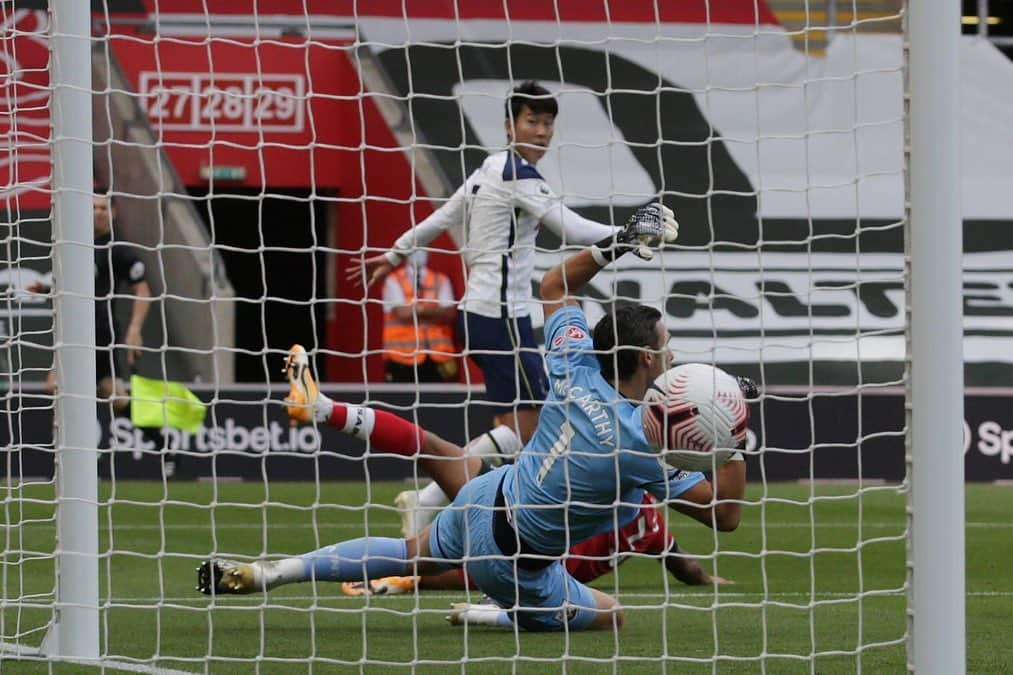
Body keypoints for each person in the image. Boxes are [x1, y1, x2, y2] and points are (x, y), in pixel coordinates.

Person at [198, 204, 745, 634]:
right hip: (514, 562)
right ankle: (496, 610)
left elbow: (554, 285)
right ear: (647, 358)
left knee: (414, 548)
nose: (672, 354)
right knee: (611, 616)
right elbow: (724, 515)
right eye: (666, 346)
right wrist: (734, 431)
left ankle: (277, 571)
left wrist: (621, 242)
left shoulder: (576, 361)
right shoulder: (640, 446)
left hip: (486, 497)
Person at [352, 80, 636, 539]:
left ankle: (436, 503)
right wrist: (629, 233)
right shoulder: (517, 174)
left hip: (486, 317)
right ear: (510, 125)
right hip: (501, 320)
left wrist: (396, 252)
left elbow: (444, 214)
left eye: (548, 124)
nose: (542, 132)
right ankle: (434, 502)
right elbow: (571, 227)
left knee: (518, 430)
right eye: (532, 121)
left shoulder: (489, 167)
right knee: (532, 429)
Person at [341, 490, 733, 598]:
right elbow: (685, 568)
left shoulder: (606, 493)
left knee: (474, 562)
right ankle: (406, 570)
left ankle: (404, 575)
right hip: (558, 571)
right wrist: (710, 581)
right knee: (477, 570)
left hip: (544, 551)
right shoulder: (653, 525)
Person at [31, 191, 151, 412]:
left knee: (58, 385)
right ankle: (162, 439)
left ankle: (80, 440)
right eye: (94, 208)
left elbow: (142, 290)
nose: (98, 213)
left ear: (113, 213)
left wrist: (135, 329)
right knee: (111, 394)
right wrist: (47, 288)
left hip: (101, 331)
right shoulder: (77, 247)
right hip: (76, 329)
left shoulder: (119, 251)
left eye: (103, 208)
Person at [381, 250, 458, 384]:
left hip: (438, 357)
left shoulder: (441, 280)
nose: (418, 252)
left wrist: (417, 309)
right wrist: (434, 312)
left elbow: (449, 314)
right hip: (402, 357)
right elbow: (403, 314)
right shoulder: (393, 280)